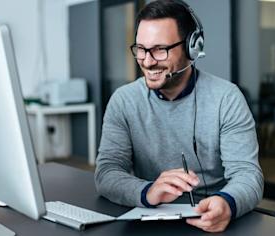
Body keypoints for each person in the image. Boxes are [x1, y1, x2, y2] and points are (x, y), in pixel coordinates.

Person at [95, 0, 263, 232]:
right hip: (151, 219)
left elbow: (248, 174)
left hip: (213, 218)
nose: (147, 61)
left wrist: (227, 203)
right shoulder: (124, 100)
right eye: (141, 49)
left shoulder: (227, 98)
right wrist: (148, 191)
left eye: (159, 50)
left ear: (191, 47)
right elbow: (107, 172)